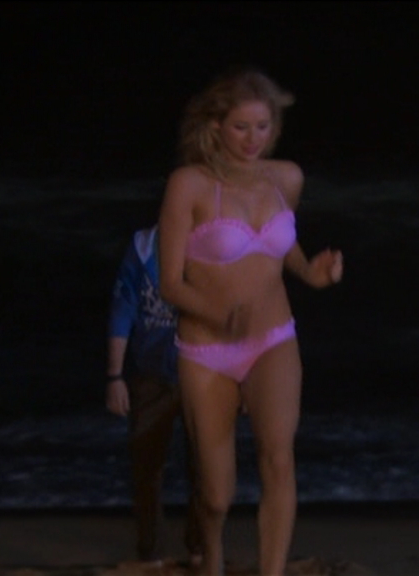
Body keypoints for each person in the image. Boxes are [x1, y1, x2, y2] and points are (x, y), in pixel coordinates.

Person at [157, 67, 344, 576]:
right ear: (216, 125)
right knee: (218, 493)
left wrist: (311, 271)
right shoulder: (189, 184)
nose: (252, 139)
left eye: (263, 126)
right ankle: (210, 554)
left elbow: (280, 246)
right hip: (207, 350)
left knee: (278, 460)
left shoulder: (287, 177)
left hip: (273, 339)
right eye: (241, 126)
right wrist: (215, 312)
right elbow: (170, 282)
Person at [107, 223, 203, 567]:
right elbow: (123, 308)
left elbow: (233, 313)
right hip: (150, 378)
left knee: (206, 467)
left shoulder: (213, 244)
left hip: (201, 375)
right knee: (146, 468)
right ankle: (151, 553)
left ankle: (200, 548)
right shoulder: (142, 247)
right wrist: (115, 376)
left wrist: (242, 380)